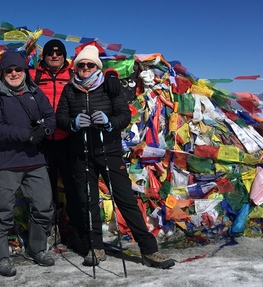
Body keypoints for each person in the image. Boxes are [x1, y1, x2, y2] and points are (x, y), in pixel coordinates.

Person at [0, 40, 122, 252]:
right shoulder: (34, 75)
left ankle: (79, 234)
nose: (55, 56)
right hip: (42, 143)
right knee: (44, 194)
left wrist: (112, 74)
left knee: (75, 191)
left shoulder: (75, 71)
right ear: (44, 56)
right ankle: (47, 235)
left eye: (59, 53)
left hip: (69, 139)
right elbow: (12, 74)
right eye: (50, 53)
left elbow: (97, 68)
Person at [56, 45, 176, 269]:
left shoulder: (109, 86)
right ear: (75, 68)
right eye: (81, 65)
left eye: (90, 64)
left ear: (97, 67)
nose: (85, 68)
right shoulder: (69, 90)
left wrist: (110, 122)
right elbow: (60, 117)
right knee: (88, 202)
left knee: (125, 200)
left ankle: (149, 251)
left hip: (108, 151)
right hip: (80, 154)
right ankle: (96, 247)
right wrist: (72, 123)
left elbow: (124, 115)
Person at [0, 50, 56, 277]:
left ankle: (36, 249)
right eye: (9, 70)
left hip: (35, 161)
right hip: (6, 163)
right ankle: (1, 258)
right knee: (3, 210)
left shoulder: (36, 92)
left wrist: (44, 130)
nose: (14, 73)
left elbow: (50, 117)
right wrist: (27, 134)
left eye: (18, 69)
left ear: (25, 71)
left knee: (44, 207)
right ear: (2, 73)